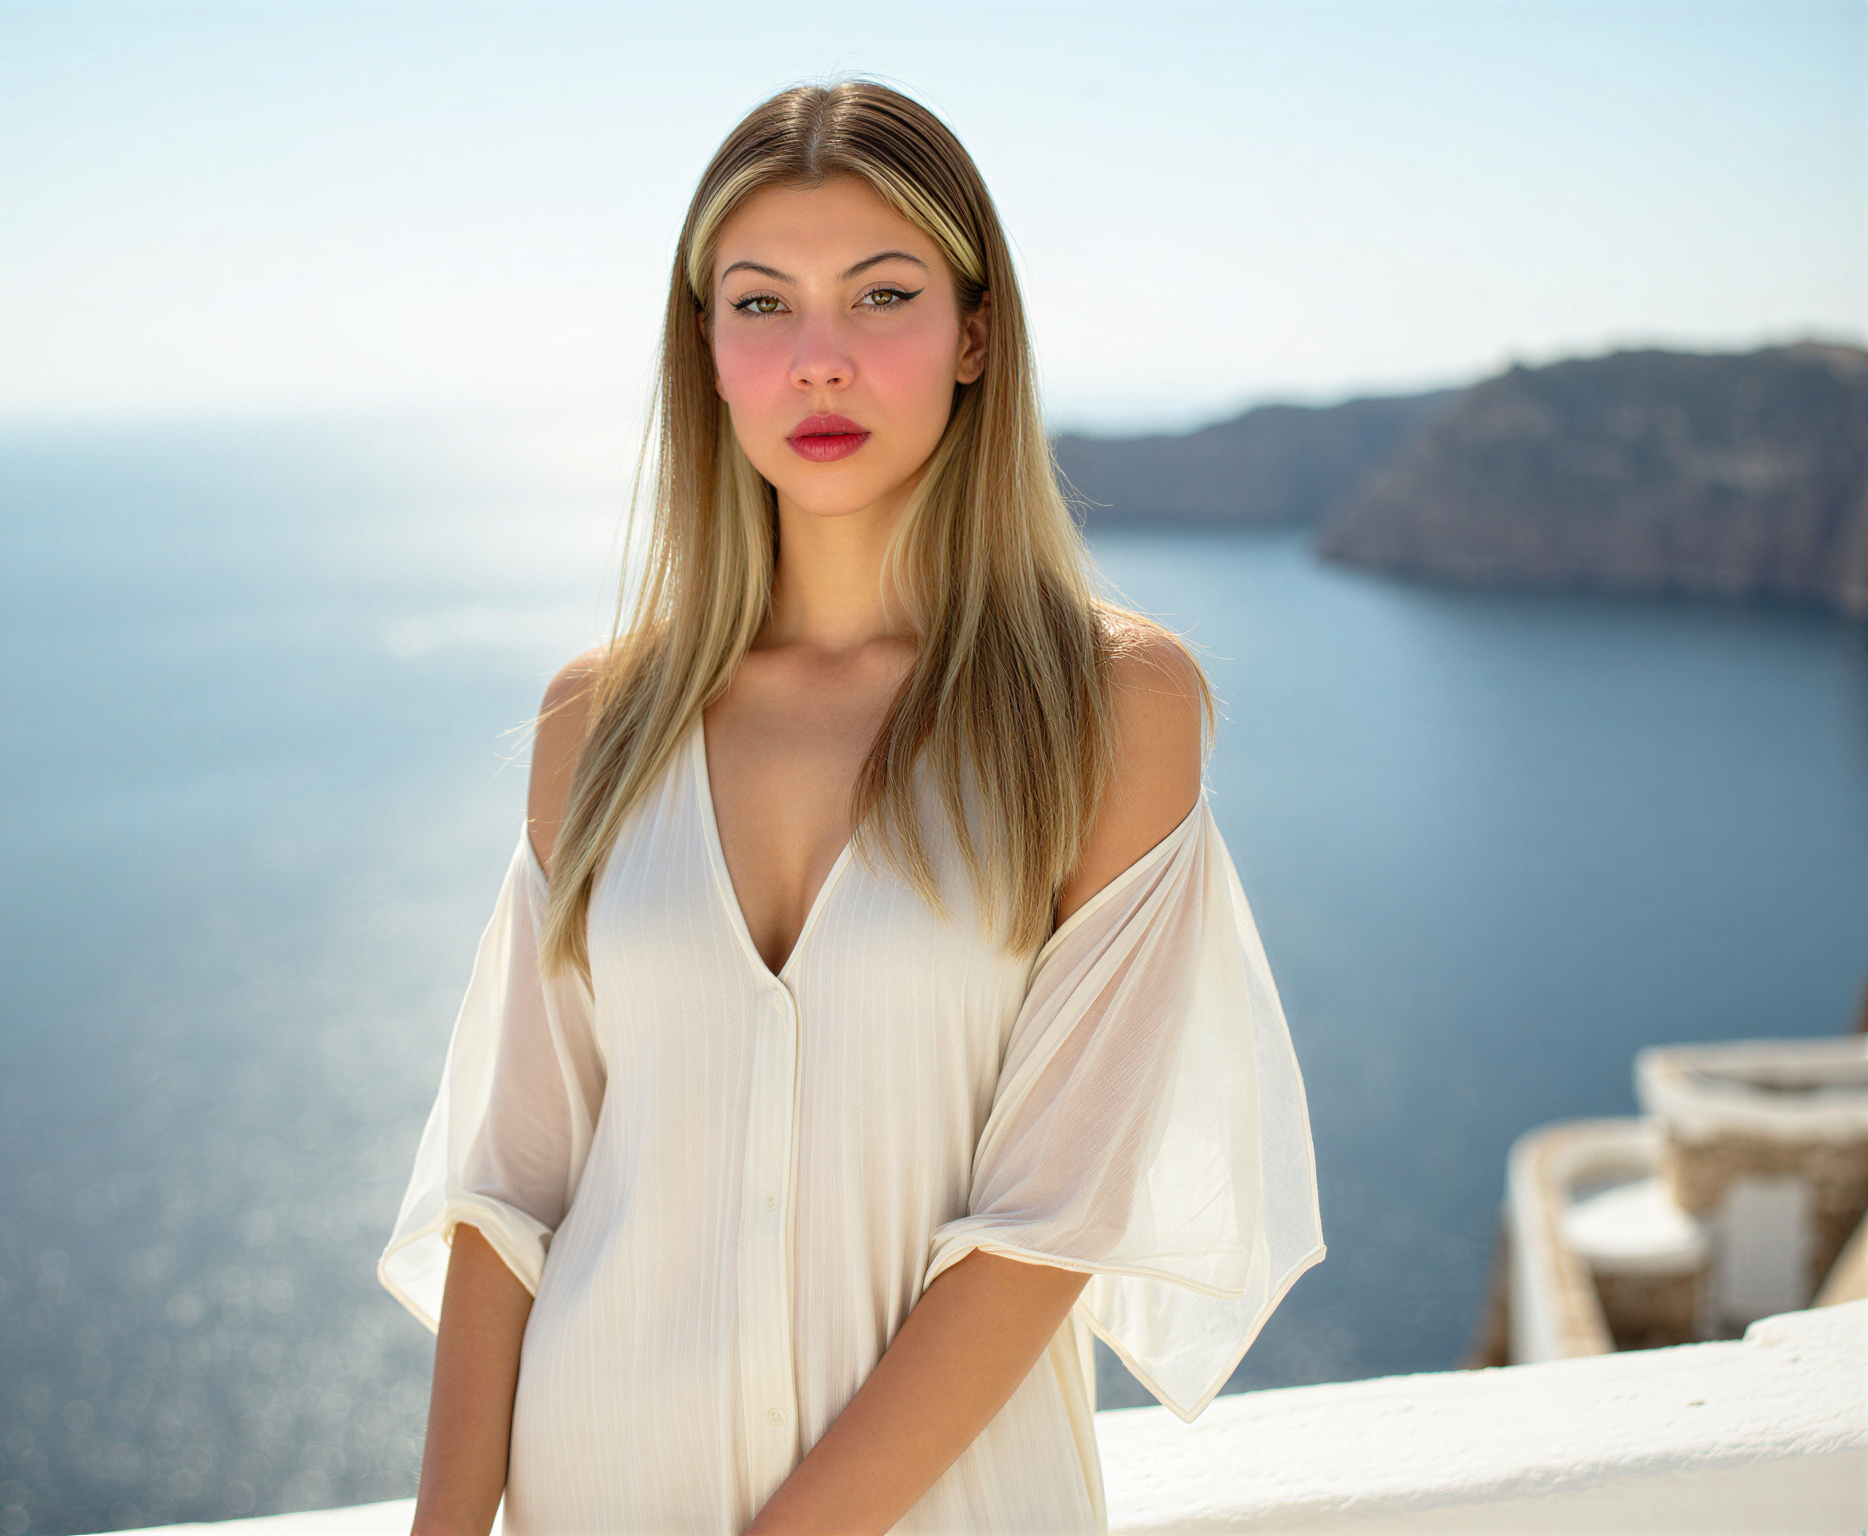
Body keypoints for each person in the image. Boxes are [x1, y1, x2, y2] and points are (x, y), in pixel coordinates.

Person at [379, 79, 1323, 1535]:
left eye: (880, 295)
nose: (818, 361)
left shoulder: (1110, 711)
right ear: (705, 349)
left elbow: (1042, 1231)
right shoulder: (597, 724)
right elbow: (508, 1193)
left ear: (974, 335)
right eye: (762, 305)